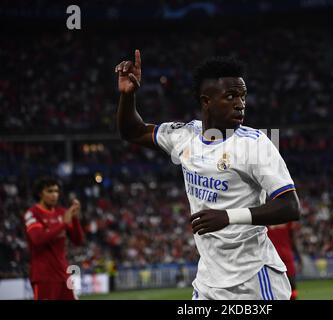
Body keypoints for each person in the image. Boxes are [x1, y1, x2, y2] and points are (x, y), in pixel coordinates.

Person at [115, 51, 301, 300]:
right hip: (209, 283)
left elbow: (290, 206)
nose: (240, 103)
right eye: (231, 96)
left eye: (243, 96)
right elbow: (132, 131)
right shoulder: (185, 136)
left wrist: (228, 217)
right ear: (206, 101)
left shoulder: (255, 144)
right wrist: (128, 95)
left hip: (254, 280)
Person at [24, 177, 84, 300]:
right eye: (49, 191)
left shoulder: (62, 213)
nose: (54, 195)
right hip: (44, 277)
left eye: (56, 191)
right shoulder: (33, 213)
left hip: (64, 275)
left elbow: (78, 241)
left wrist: (75, 219)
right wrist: (64, 224)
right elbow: (38, 239)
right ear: (40, 193)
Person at [267, 222, 301, 300]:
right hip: (272, 256)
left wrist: (298, 256)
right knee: (274, 284)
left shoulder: (287, 220)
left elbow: (292, 238)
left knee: (292, 283)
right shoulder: (266, 217)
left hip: (285, 255)